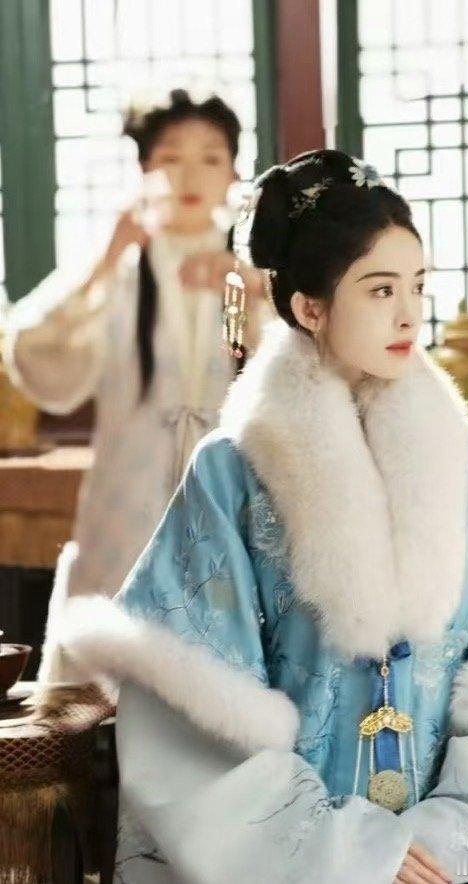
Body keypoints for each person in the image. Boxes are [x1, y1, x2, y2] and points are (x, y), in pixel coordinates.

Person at [59, 149, 468, 883]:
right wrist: (354, 853)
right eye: (380, 290)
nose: (409, 314)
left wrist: (448, 837)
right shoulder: (230, 472)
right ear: (310, 308)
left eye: (418, 285)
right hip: (292, 857)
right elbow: (192, 709)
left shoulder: (467, 460)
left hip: (454, 850)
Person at [1, 90, 271, 682]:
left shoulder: (247, 270)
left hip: (228, 489)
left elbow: (272, 367)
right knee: (108, 664)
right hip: (130, 490)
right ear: (145, 168)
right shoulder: (122, 266)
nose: (190, 175)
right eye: (170, 157)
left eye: (210, 157)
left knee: (226, 665)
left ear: (233, 172)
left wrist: (249, 288)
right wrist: (106, 258)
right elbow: (34, 353)